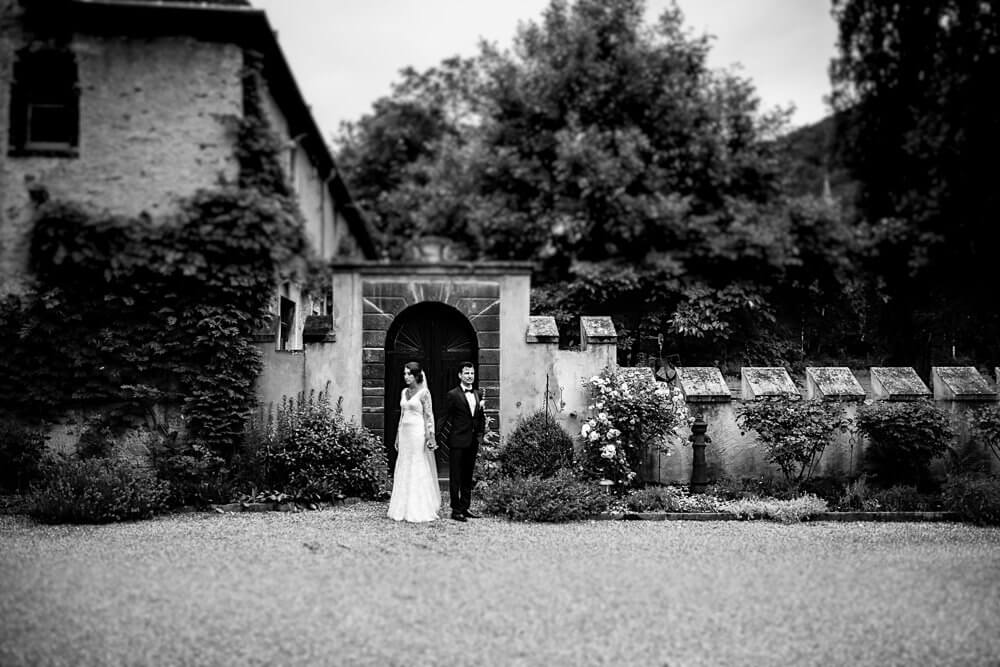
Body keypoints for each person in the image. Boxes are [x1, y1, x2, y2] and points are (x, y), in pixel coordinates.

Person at [387, 361, 441, 523]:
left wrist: (430, 436)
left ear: (417, 375)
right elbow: (402, 415)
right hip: (405, 434)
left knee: (417, 464)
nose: (406, 377)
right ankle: (401, 507)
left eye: (409, 374)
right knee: (403, 464)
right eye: (404, 373)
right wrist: (397, 436)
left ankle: (419, 507)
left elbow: (429, 415)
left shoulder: (424, 393)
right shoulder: (404, 392)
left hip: (418, 433)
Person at [441, 361, 485, 522]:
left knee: (468, 476)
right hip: (457, 441)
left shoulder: (478, 394)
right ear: (460, 375)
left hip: (472, 441)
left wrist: (480, 435)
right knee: (456, 476)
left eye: (472, 373)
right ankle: (456, 509)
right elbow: (445, 417)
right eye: (466, 373)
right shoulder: (453, 395)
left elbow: (480, 417)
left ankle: (465, 507)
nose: (470, 376)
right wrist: (435, 437)